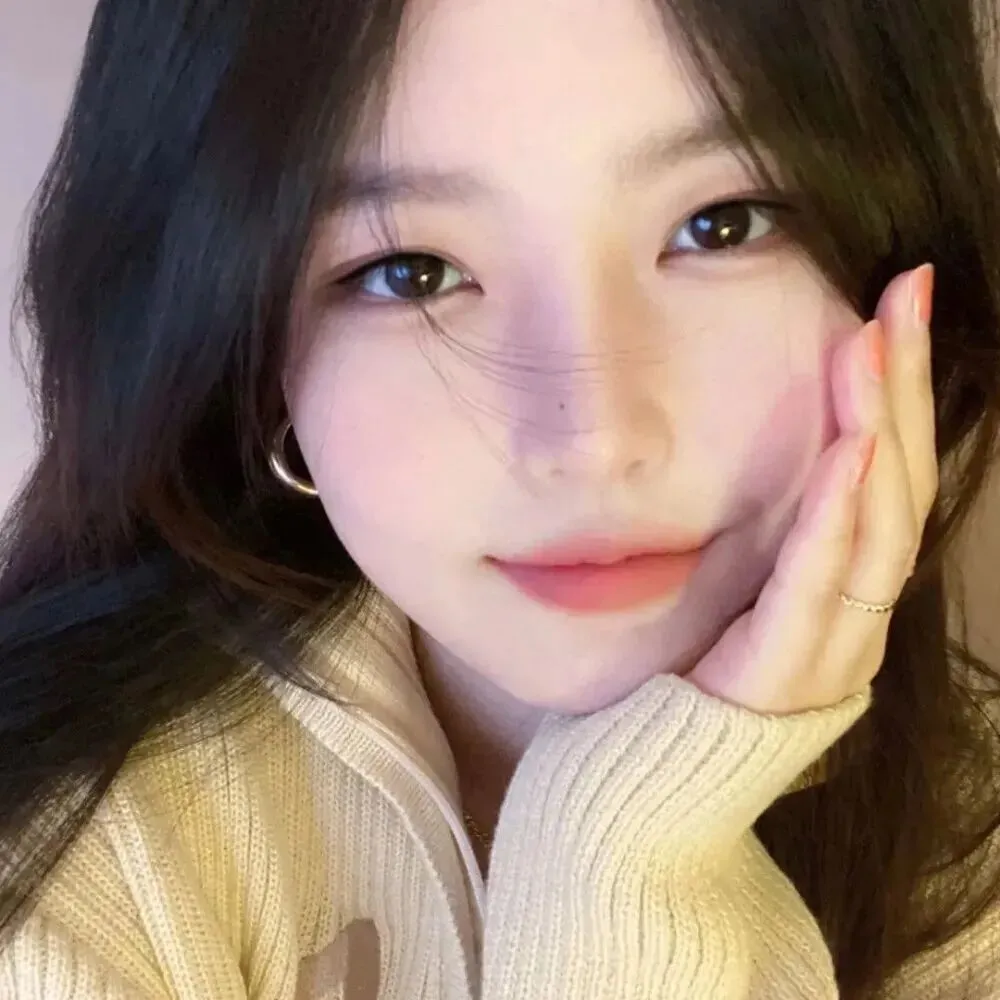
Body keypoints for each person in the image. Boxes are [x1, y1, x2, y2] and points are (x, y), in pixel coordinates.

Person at [1, 0, 999, 996]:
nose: (591, 442)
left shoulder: (971, 838)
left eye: (721, 225)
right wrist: (630, 854)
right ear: (251, 360)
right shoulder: (69, 887)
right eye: (411, 272)